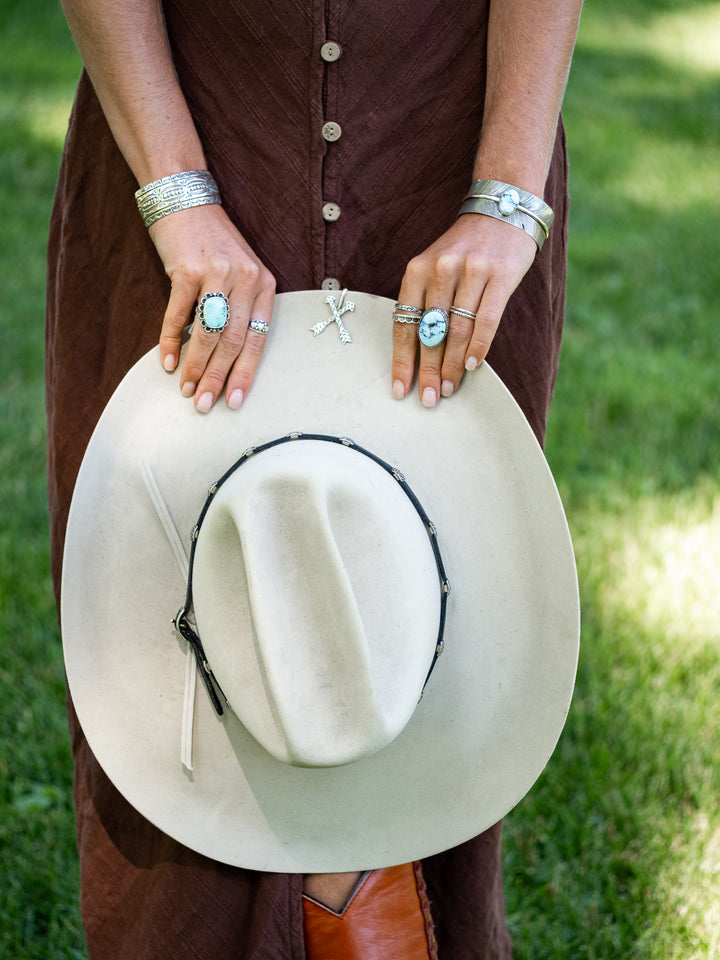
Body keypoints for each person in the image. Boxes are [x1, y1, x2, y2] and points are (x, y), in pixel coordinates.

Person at [47, 1, 582, 956]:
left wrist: (507, 190)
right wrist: (179, 195)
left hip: (449, 123)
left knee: (413, 603)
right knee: (174, 606)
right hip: (186, 100)